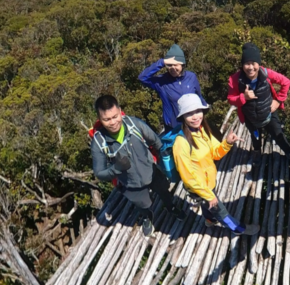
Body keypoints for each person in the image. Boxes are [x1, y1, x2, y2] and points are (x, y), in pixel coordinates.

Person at [90, 93, 185, 237]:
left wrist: (164, 155)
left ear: (120, 110)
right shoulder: (99, 141)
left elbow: (154, 139)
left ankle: (170, 206)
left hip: (151, 171)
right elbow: (99, 172)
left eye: (115, 116)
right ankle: (147, 216)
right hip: (129, 182)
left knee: (164, 190)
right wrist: (116, 169)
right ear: (100, 119)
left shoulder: (133, 124)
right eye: (107, 119)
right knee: (143, 203)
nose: (113, 122)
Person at [172, 94, 259, 235]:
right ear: (183, 117)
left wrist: (228, 143)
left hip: (209, 182)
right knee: (221, 211)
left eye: (197, 111)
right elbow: (188, 177)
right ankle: (238, 229)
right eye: (189, 113)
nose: (195, 117)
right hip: (199, 189)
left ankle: (209, 220)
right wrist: (208, 195)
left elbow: (215, 153)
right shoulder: (181, 143)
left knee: (210, 207)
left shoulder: (202, 130)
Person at [227, 43, 290, 158]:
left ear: (259, 63)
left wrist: (278, 101)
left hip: (269, 113)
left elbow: (286, 82)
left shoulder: (266, 73)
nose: (251, 67)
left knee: (278, 135)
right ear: (242, 65)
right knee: (255, 137)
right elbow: (230, 99)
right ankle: (257, 152)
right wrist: (243, 97)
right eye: (247, 64)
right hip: (251, 118)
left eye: (254, 63)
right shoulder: (235, 79)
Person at [138, 44, 207, 129]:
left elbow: (199, 97)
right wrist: (162, 62)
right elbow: (142, 78)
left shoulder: (191, 77)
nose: (172, 68)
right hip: (174, 128)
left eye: (176, 65)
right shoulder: (162, 81)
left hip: (193, 124)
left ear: (183, 65)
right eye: (169, 65)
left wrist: (204, 113)